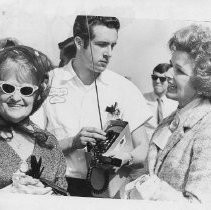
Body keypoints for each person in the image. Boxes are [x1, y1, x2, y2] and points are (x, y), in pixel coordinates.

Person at [36, 15, 152, 197]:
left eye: (113, 45)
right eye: (102, 44)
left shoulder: (124, 88)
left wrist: (122, 159)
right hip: (55, 188)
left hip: (108, 189)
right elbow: (31, 147)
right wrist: (72, 143)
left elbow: (142, 149)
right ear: (79, 42)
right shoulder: (49, 82)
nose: (109, 53)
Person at [124, 24, 211, 203]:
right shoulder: (167, 123)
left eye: (179, 70)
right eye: (171, 66)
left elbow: (199, 205)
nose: (168, 74)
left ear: (201, 81)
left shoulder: (207, 129)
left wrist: (150, 189)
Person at [0, 45, 67, 195]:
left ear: (37, 94)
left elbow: (64, 195)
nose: (16, 98)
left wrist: (48, 195)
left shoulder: (49, 143)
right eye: (8, 88)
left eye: (26, 90)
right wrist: (7, 194)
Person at [144, 63, 178, 141]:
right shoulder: (141, 100)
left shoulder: (176, 104)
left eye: (162, 79)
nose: (157, 81)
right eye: (154, 77)